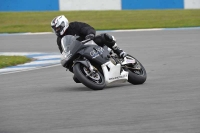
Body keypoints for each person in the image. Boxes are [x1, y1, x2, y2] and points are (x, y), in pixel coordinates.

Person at [51, 15, 127, 58]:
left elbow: (86, 28)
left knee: (103, 37)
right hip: (79, 52)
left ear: (64, 24)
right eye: (55, 29)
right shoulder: (59, 40)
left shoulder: (74, 26)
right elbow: (63, 52)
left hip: (89, 43)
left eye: (58, 28)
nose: (57, 30)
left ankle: (118, 51)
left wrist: (90, 34)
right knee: (76, 78)